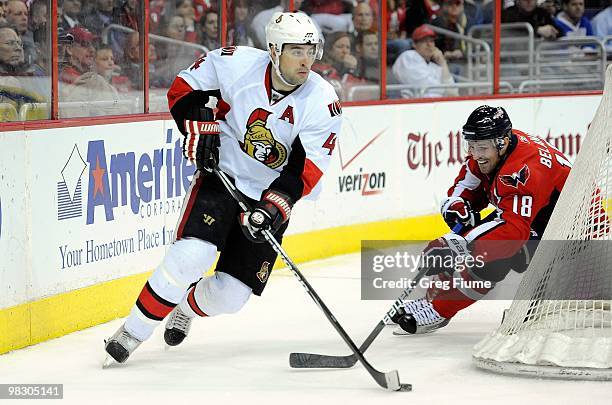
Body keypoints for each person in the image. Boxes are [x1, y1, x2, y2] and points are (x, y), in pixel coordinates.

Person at [103, 11, 343, 365]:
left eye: (311, 50)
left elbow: (301, 171)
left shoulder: (323, 102)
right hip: (223, 176)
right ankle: (132, 331)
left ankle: (186, 306)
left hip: (267, 195)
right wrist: (198, 123)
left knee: (231, 296)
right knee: (190, 258)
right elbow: (183, 91)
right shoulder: (234, 64)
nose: (306, 59)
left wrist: (273, 207)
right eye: (296, 50)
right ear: (274, 51)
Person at [392, 105, 572, 335]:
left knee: (494, 254)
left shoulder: (523, 170)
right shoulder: (496, 148)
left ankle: (439, 310)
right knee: (471, 234)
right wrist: (457, 204)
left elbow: (514, 232)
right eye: (472, 145)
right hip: (541, 220)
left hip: (577, 235)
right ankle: (431, 301)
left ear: (502, 142)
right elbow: (470, 183)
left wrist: (459, 244)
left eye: (482, 147)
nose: (476, 153)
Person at [392, 24, 457, 97]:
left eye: (431, 41)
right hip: (413, 106)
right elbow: (425, 88)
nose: (429, 44)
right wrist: (444, 89)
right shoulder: (408, 57)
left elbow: (453, 93)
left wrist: (443, 63)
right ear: (414, 44)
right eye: (424, 41)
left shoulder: (435, 67)